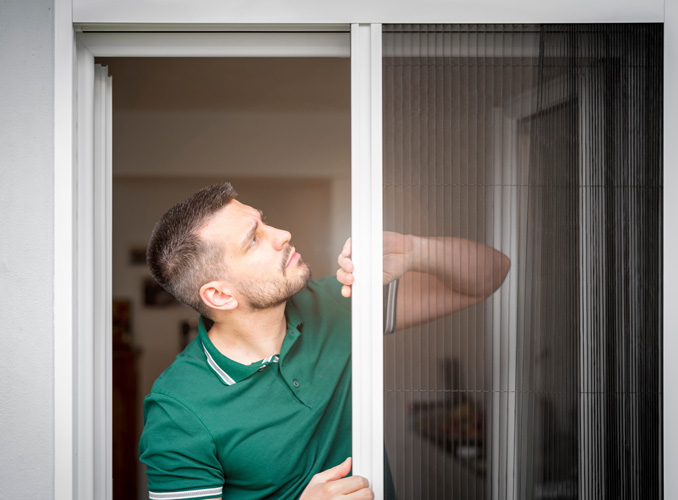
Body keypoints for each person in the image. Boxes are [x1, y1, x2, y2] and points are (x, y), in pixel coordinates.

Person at [139, 182, 510, 500]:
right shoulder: (178, 412)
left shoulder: (338, 303)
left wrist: (416, 251)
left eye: (263, 221)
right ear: (219, 296)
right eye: (254, 239)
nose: (282, 234)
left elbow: (491, 274)